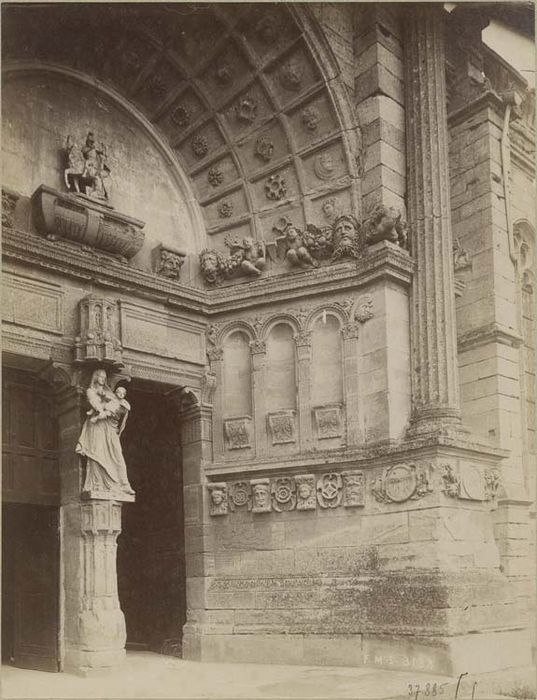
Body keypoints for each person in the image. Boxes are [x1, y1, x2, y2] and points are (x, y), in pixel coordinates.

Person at [76, 369, 134, 496]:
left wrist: (117, 406)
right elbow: (93, 401)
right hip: (96, 426)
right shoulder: (91, 391)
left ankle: (123, 484)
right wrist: (100, 410)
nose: (103, 379)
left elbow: (118, 406)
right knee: (97, 452)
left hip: (110, 427)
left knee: (117, 454)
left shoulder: (109, 393)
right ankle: (97, 483)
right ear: (95, 377)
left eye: (105, 377)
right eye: (100, 376)